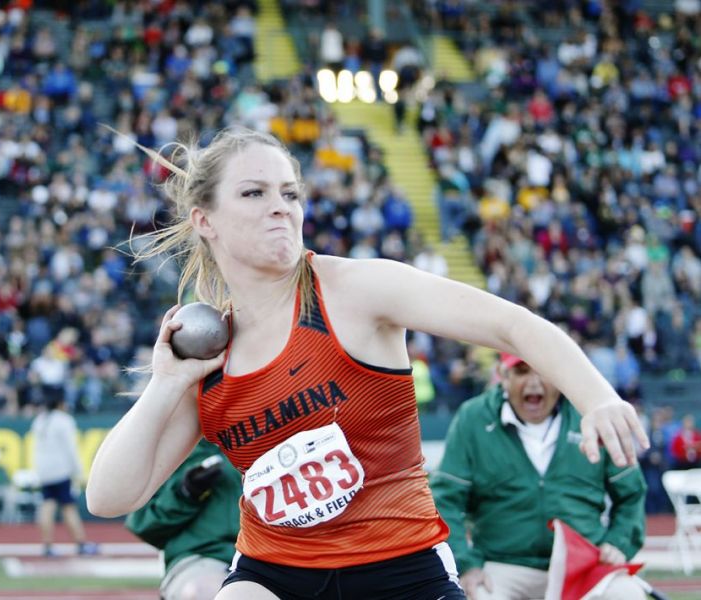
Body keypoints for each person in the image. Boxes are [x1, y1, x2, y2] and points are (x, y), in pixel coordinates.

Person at [85, 128, 648, 599]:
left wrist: (596, 397)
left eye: (290, 192)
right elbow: (109, 497)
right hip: (275, 575)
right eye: (254, 193)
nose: (280, 206)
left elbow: (512, 325)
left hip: (401, 565)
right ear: (205, 220)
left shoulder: (354, 291)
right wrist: (166, 384)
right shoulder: (209, 356)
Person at [430, 353, 648, 600]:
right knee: (479, 595)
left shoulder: (591, 414)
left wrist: (619, 542)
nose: (534, 383)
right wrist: (466, 564)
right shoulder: (473, 418)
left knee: (627, 595)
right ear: (503, 375)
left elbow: (632, 492)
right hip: (502, 564)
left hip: (584, 563)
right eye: (522, 371)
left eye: (543, 370)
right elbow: (445, 499)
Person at [125, 439, 241, 600]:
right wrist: (186, 493)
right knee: (203, 591)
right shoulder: (168, 449)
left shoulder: (270, 439)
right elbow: (142, 524)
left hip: (265, 555)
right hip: (202, 555)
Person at [31, 392, 97, 556]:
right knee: (68, 507)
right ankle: (80, 543)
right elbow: (71, 449)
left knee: (47, 504)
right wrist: (78, 471)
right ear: (60, 403)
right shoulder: (64, 421)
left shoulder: (39, 420)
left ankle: (47, 545)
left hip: (44, 470)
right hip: (60, 469)